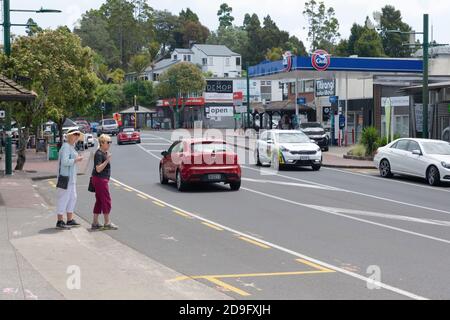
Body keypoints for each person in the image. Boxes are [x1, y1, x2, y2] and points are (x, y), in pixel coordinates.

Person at [56, 128, 84, 230]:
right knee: (64, 198)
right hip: (65, 178)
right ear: (69, 136)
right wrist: (76, 159)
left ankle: (69, 219)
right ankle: (60, 220)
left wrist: (76, 159)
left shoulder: (71, 147)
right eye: (74, 134)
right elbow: (65, 162)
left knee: (72, 198)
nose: (76, 136)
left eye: (77, 134)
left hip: (71, 178)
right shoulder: (66, 146)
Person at [91, 134, 118, 230]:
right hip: (100, 180)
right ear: (102, 143)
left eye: (110, 142)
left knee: (99, 200)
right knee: (106, 200)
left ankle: (95, 222)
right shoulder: (99, 154)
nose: (110, 144)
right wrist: (107, 160)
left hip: (100, 179)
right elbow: (98, 169)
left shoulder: (103, 152)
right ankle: (107, 222)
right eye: (108, 142)